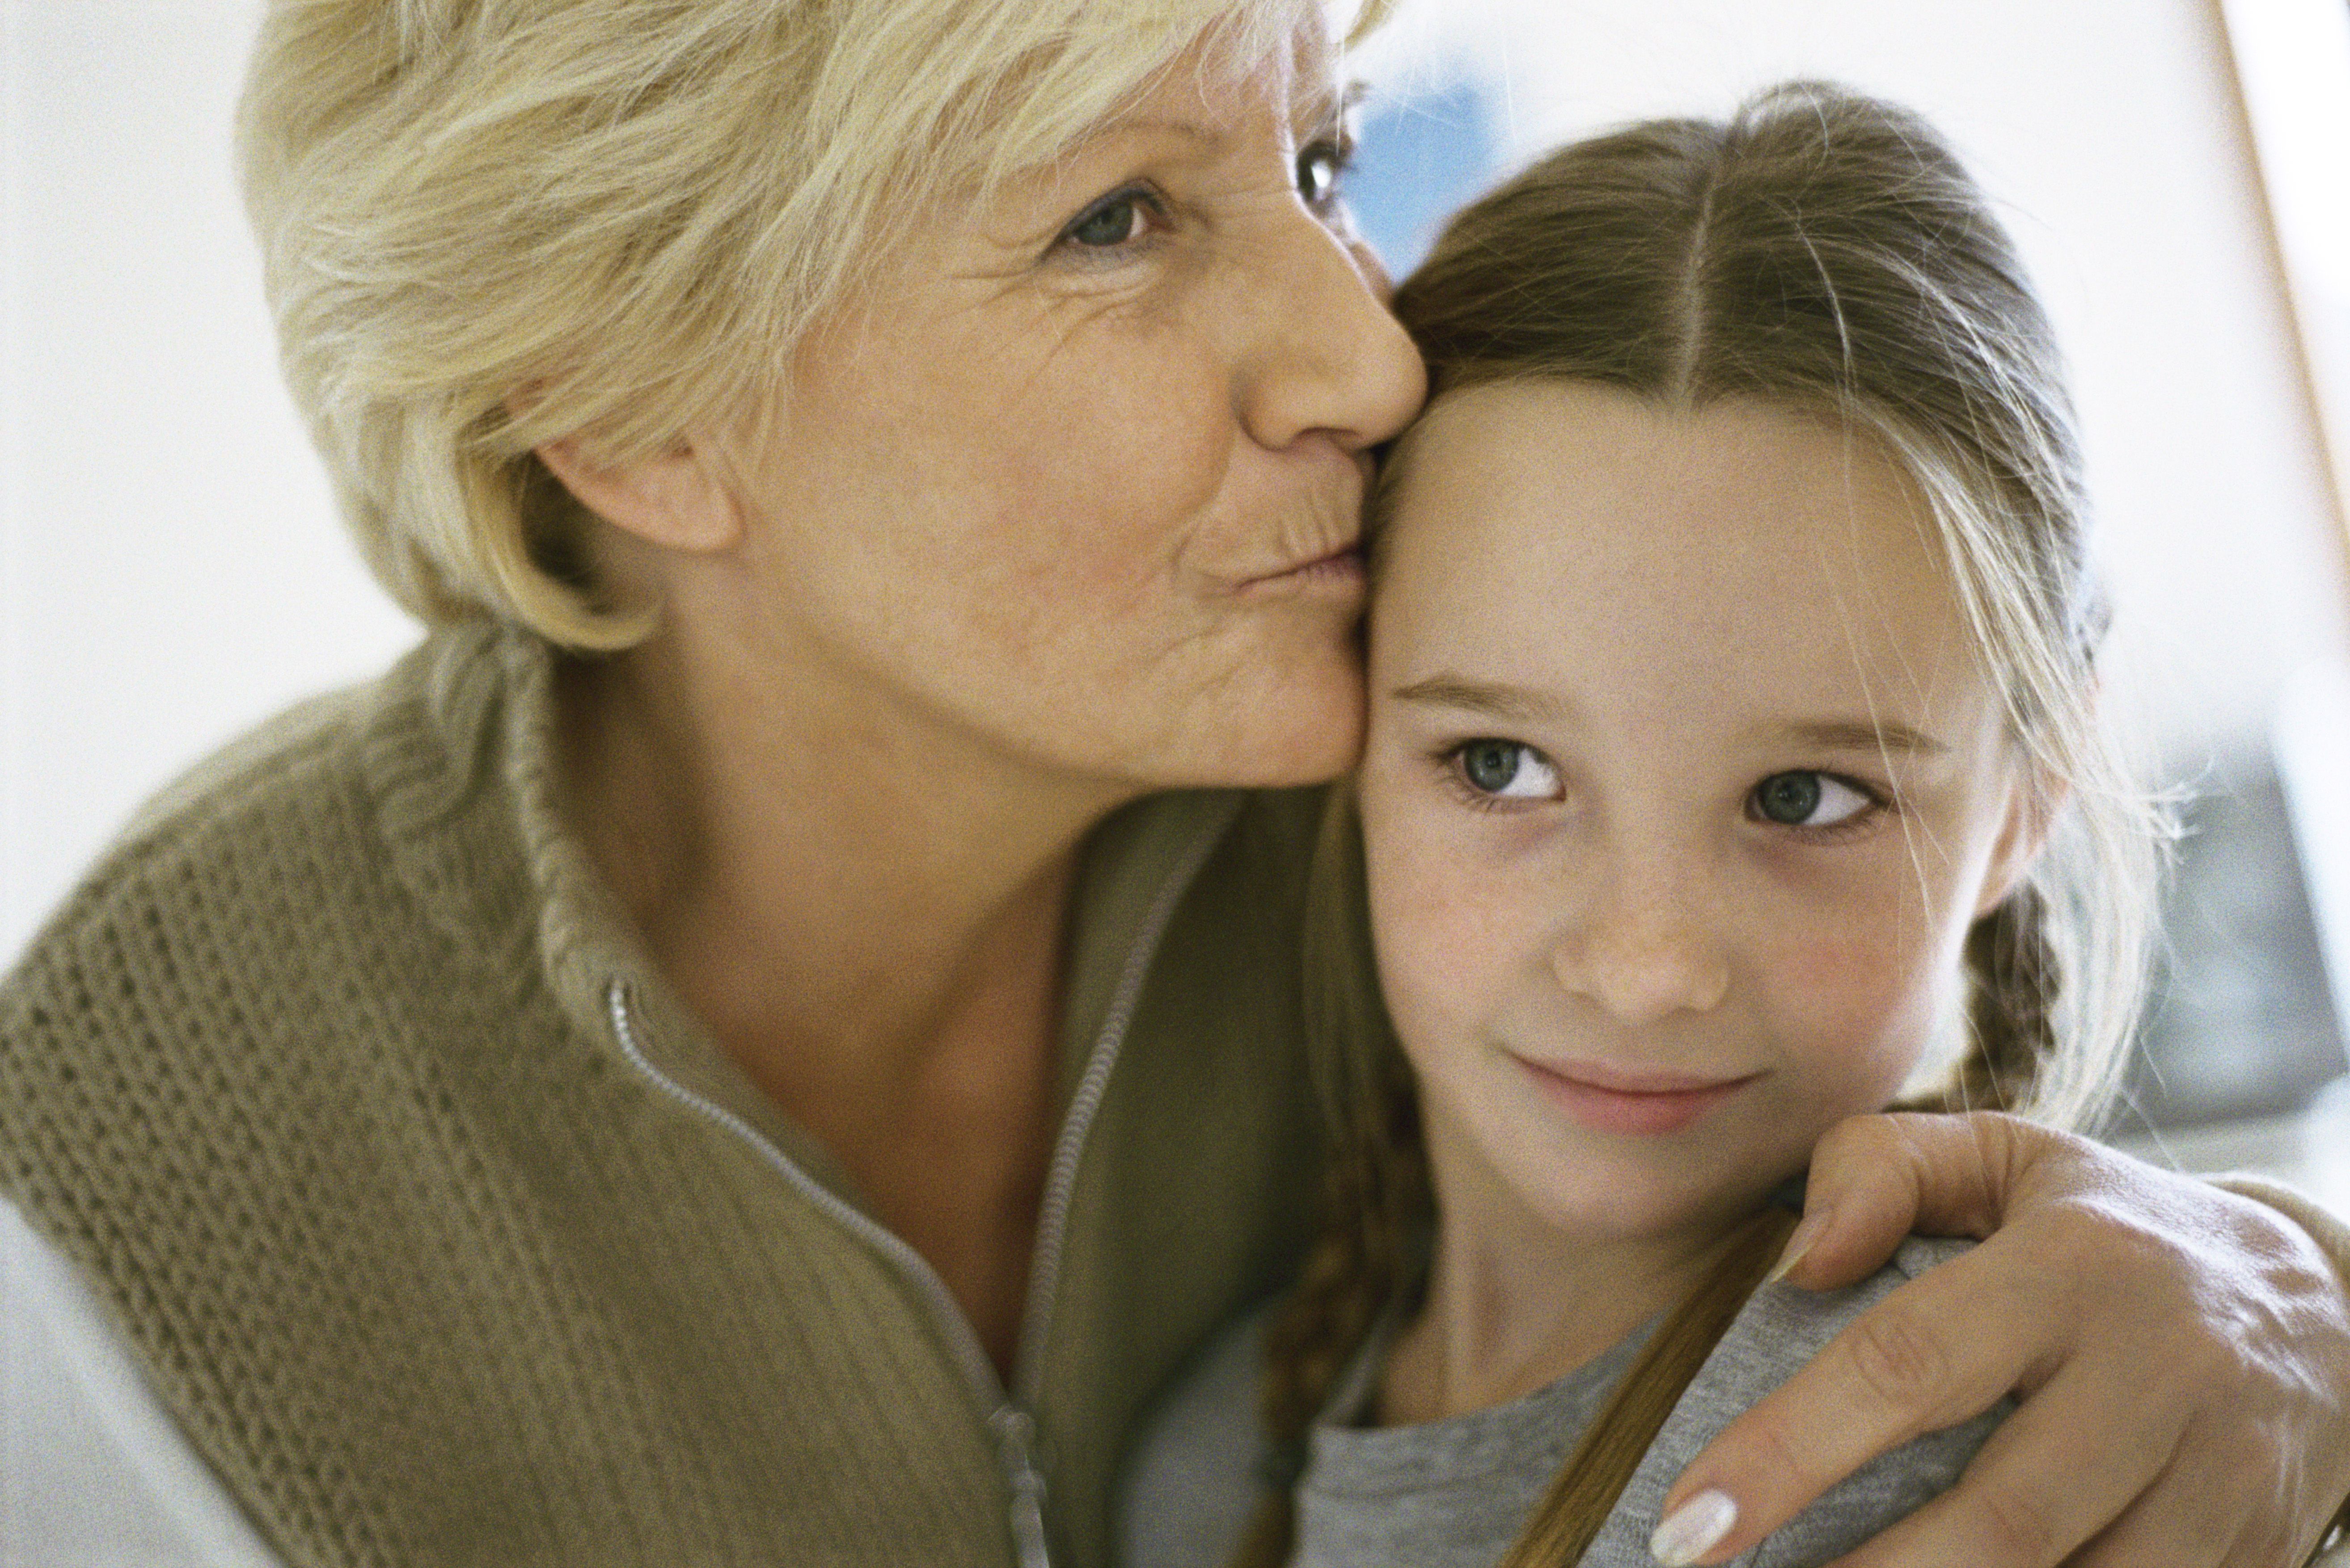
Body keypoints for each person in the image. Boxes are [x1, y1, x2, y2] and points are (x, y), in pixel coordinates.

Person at [1, 1, 2348, 1565]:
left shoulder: (1376, 719)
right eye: (1113, 219)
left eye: (1318, 154)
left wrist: (2302, 1296)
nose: (1363, 345)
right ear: (634, 409)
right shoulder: (122, 1161)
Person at [1118, 81, 2188, 1568]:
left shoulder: (1998, 1451)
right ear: (1346, 721)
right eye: (1500, 765)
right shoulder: (1205, 1461)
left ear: (2030, 798)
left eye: (1806, 799)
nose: (1643, 966)